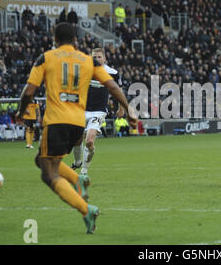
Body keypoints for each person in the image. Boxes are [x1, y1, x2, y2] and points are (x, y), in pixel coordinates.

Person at [16, 22, 138, 234]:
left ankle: (85, 209)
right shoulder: (88, 61)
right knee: (43, 159)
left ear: (55, 39)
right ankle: (78, 179)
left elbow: (30, 89)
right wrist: (128, 109)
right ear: (75, 40)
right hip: (77, 120)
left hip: (56, 120)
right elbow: (113, 86)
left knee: (48, 172)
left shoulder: (46, 58)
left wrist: (20, 112)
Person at [72, 48, 124, 175]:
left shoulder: (112, 73)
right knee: (77, 139)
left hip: (98, 111)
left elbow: (119, 91)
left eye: (99, 57)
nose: (97, 59)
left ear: (105, 59)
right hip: (82, 110)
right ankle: (77, 161)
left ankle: (84, 171)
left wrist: (121, 108)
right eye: (94, 57)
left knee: (89, 141)